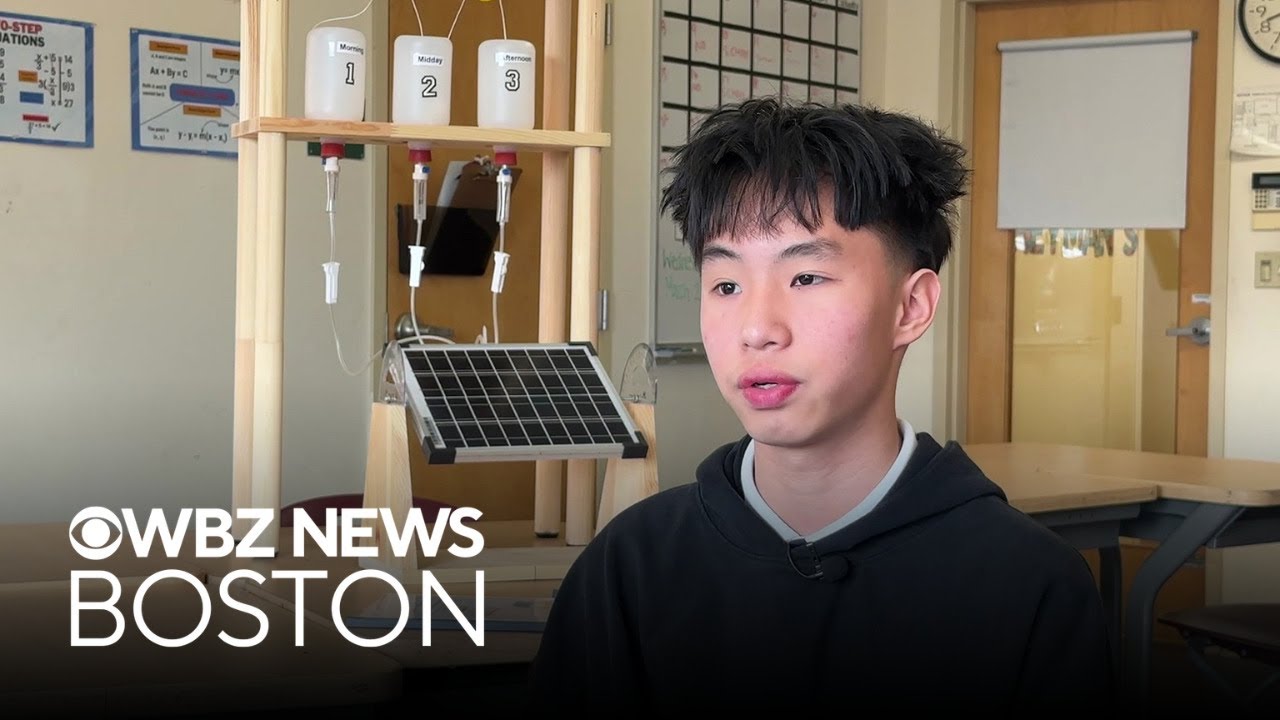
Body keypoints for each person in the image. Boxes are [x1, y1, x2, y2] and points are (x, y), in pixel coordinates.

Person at [528, 98, 1114, 712]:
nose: (757, 329)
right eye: (726, 285)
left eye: (805, 278)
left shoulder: (1030, 586)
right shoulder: (630, 566)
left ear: (910, 307)